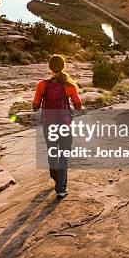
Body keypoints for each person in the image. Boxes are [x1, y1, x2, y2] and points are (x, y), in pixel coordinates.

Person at [32, 54, 82, 197]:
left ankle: (55, 176)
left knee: (52, 152)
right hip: (65, 125)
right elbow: (78, 106)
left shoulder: (42, 85)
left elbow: (35, 106)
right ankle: (61, 188)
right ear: (63, 66)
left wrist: (41, 102)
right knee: (64, 156)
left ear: (49, 68)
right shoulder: (70, 85)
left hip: (49, 125)